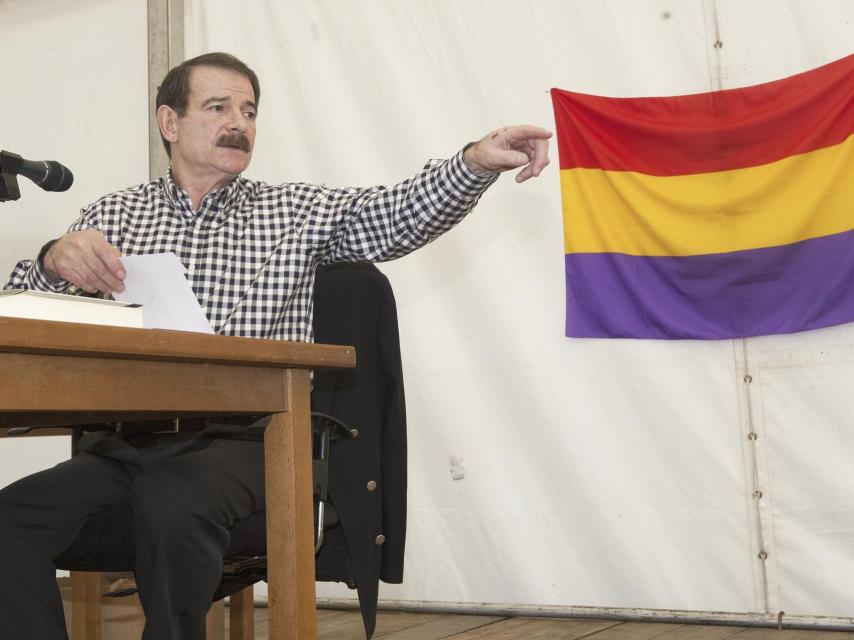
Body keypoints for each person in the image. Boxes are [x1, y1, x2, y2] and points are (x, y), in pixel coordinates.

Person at [0, 52, 550, 639]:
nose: (238, 123)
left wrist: (474, 162)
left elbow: (397, 215)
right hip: (130, 443)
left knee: (172, 498)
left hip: (251, 441)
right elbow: (25, 311)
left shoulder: (294, 211)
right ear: (169, 122)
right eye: (218, 107)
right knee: (9, 519)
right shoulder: (114, 215)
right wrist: (52, 260)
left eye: (249, 111)